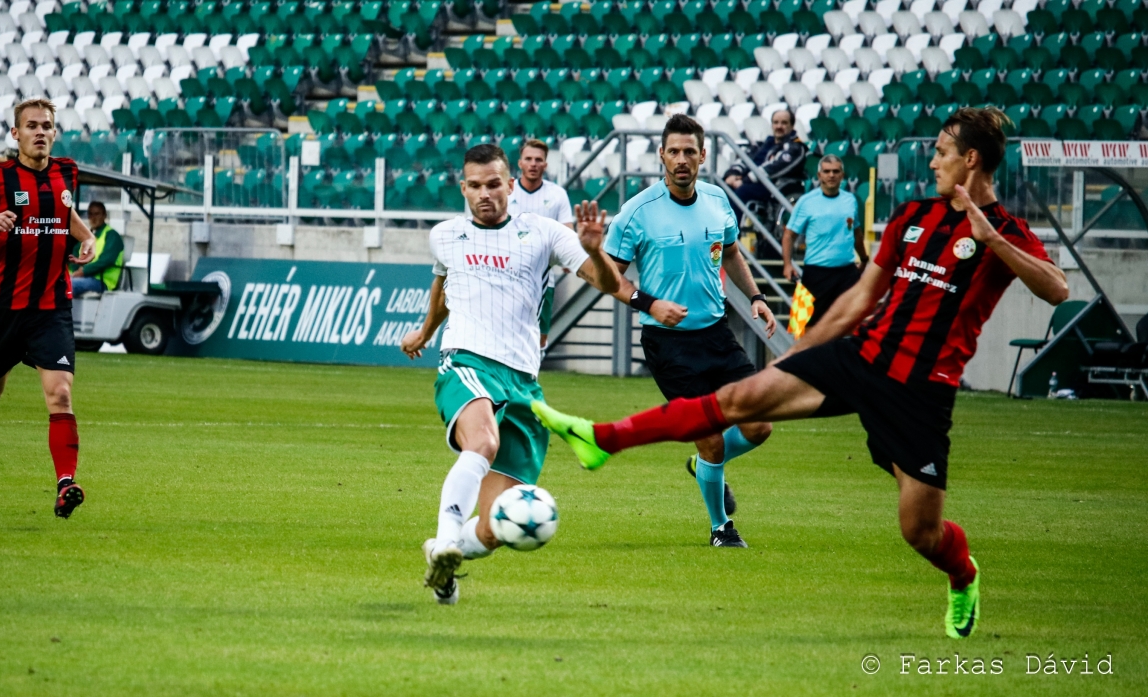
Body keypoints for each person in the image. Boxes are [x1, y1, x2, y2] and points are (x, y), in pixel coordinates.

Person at [532, 108, 1069, 638]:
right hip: (859, 355)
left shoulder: (1004, 232)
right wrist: (796, 355)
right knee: (735, 407)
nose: (932, 161)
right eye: (672, 151)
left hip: (920, 391)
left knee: (920, 531)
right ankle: (603, 439)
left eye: (941, 152)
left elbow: (1056, 288)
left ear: (970, 159)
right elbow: (860, 297)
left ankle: (963, 574)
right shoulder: (912, 217)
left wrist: (993, 239)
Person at [400, 144, 622, 605]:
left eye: (494, 184)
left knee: (496, 526)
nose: (485, 194)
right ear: (463, 188)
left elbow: (605, 282)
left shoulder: (541, 232)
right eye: (475, 186)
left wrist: (596, 252)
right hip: (465, 361)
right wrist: (425, 332)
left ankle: (445, 562)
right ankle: (444, 539)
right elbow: (443, 283)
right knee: (483, 441)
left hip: (523, 382)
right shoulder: (445, 234)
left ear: (511, 186)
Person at [603, 114, 777, 548]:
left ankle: (703, 466)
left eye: (690, 152)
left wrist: (756, 297)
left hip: (717, 335)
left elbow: (733, 253)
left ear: (703, 156)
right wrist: (649, 303)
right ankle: (721, 527)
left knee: (760, 426)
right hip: (668, 346)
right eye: (674, 151)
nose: (682, 160)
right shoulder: (638, 211)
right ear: (661, 155)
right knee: (711, 438)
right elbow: (606, 274)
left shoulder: (719, 201)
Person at [0, 98, 97, 520]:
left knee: (61, 394)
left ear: (54, 132)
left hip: (51, 308)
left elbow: (64, 213)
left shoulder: (67, 171)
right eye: (30, 125)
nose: (39, 132)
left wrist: (86, 237)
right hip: (5, 308)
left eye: (46, 126)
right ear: (15, 134)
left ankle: (65, 484)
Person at [780, 155, 869, 328]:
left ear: (842, 175)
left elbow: (856, 233)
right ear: (819, 175)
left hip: (846, 273)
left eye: (836, 171)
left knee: (853, 324)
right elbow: (789, 235)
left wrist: (864, 258)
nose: (831, 175)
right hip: (816, 273)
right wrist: (787, 264)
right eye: (827, 171)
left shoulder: (850, 200)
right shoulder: (806, 202)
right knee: (804, 326)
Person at [507, 139, 575, 348]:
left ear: (545, 164)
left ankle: (528, 378)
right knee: (507, 334)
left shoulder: (556, 194)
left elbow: (567, 231)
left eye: (539, 160)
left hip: (543, 278)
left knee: (539, 339)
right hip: (508, 274)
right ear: (519, 163)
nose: (533, 164)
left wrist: (569, 255)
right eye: (528, 159)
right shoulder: (507, 192)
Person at [723, 109, 807, 204]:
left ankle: (731, 219)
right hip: (749, 181)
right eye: (776, 122)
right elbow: (743, 159)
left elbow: (774, 167)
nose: (779, 126)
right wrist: (732, 174)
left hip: (772, 186)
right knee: (719, 189)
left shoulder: (795, 147)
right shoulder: (761, 145)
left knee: (742, 191)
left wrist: (745, 180)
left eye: (784, 123)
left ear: (791, 126)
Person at [69, 201, 125, 295]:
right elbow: (75, 254)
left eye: (97, 214)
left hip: (102, 281)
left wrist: (83, 271)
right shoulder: (87, 236)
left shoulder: (112, 236)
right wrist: (75, 271)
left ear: (104, 215)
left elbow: (106, 260)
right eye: (90, 214)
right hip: (84, 278)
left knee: (68, 285)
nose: (93, 218)